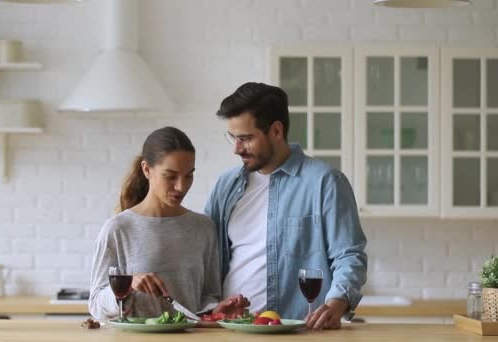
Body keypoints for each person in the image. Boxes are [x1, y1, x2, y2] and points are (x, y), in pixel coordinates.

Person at [204, 82, 368, 330]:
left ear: (276, 131)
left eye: (245, 139)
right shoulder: (226, 185)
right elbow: (205, 256)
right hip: (232, 330)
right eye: (233, 138)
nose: (236, 149)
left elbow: (349, 255)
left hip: (298, 331)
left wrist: (337, 303)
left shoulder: (325, 182)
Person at [89, 126, 248, 320]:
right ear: (147, 169)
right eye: (170, 176)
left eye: (189, 175)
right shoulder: (118, 229)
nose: (181, 186)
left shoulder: (204, 228)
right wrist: (126, 285)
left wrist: (216, 311)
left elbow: (208, 296)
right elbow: (96, 305)